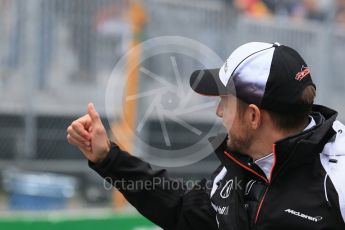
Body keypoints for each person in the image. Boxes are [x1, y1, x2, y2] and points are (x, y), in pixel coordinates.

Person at [67, 42, 345, 229]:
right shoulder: (239, 167)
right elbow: (182, 210)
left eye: (225, 101)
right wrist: (108, 158)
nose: (218, 112)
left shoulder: (339, 178)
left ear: (253, 116)